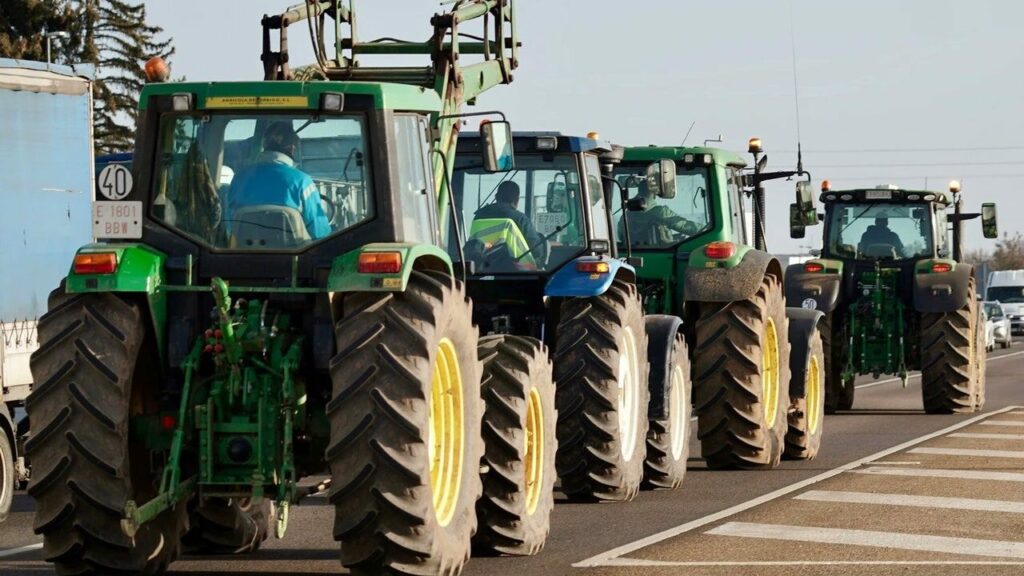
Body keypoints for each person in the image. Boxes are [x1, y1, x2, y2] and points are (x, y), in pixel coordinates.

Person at [227, 121, 331, 239]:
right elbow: (320, 233)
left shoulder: (238, 179)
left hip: (245, 254)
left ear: (265, 146)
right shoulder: (303, 182)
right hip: (296, 256)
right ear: (292, 148)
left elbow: (229, 224)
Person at [472, 180, 548, 265]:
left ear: (496, 197)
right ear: (516, 200)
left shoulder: (478, 216)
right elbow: (536, 251)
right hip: (512, 274)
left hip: (479, 271)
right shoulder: (520, 219)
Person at [619, 183, 698, 245]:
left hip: (633, 254)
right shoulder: (661, 212)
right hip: (664, 254)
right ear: (654, 194)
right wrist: (706, 229)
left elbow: (621, 236)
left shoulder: (626, 215)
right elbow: (687, 227)